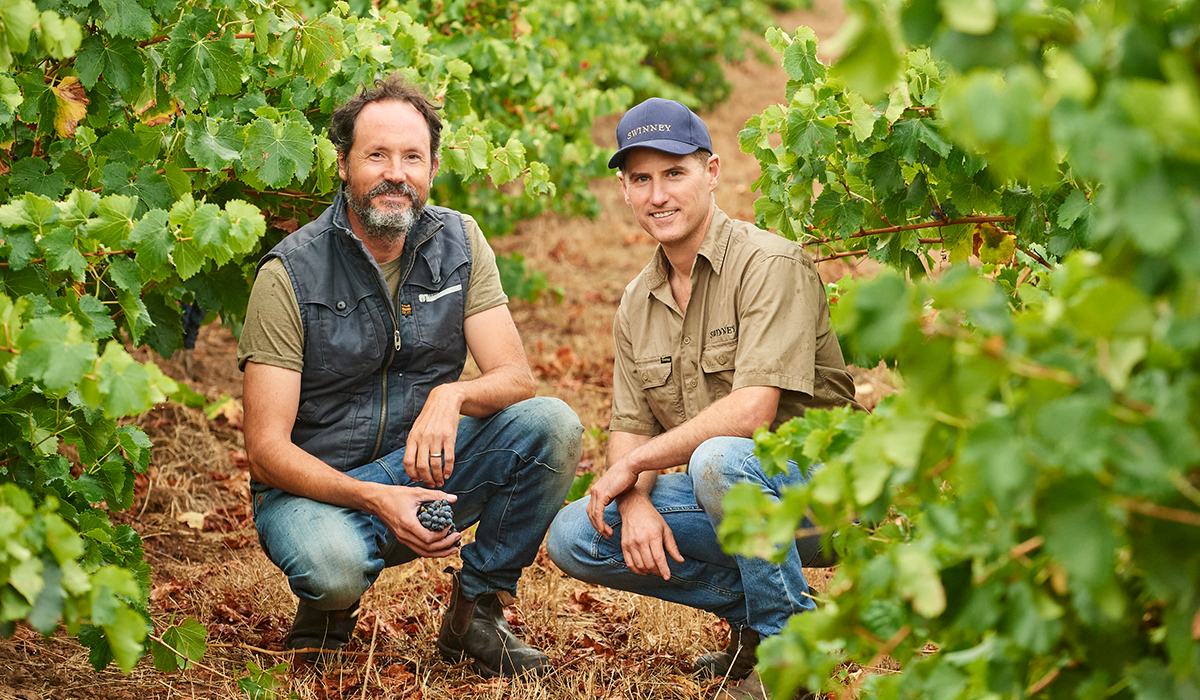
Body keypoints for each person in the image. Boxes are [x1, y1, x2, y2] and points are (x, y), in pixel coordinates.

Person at [238, 74, 582, 678]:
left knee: (550, 426)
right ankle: (330, 607)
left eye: (411, 157)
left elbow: (514, 377)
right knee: (333, 566)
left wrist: (453, 395)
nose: (395, 173)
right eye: (376, 155)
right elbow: (266, 453)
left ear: (432, 167)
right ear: (342, 163)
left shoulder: (461, 242)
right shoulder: (289, 272)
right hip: (316, 491)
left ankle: (476, 609)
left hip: (421, 468)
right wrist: (377, 497)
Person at [546, 98, 864, 700]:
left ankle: (789, 654)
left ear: (712, 172)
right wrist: (636, 502)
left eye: (675, 172)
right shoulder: (637, 303)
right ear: (624, 189)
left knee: (717, 458)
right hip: (731, 493)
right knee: (576, 536)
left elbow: (752, 414)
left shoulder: (770, 264)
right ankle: (773, 612)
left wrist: (634, 468)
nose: (658, 194)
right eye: (641, 178)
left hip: (829, 495)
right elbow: (630, 429)